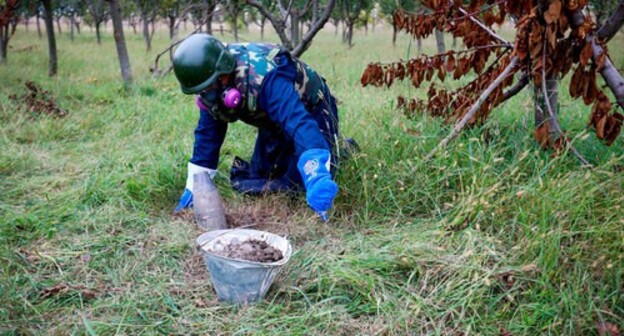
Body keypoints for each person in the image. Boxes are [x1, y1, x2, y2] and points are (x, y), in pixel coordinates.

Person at [172, 33, 351, 221]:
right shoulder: (210, 87)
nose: (205, 95)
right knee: (262, 180)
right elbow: (207, 137)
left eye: (208, 88)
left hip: (312, 110)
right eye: (201, 91)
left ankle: (340, 150)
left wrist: (315, 171)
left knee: (299, 183)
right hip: (272, 120)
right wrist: (195, 185)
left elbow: (298, 121)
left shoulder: (268, 79)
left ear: (224, 73)